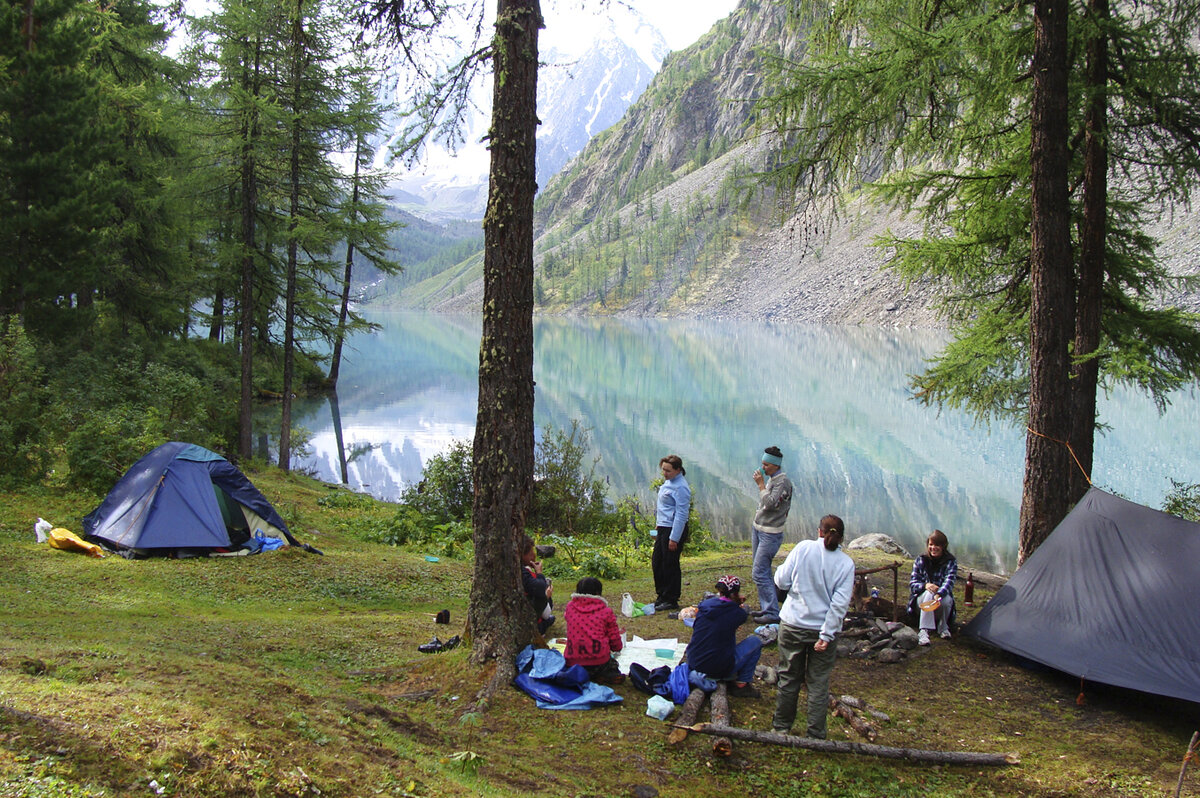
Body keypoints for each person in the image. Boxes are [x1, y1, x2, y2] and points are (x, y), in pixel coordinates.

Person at [771, 514, 856, 739]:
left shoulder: (803, 549)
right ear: (842, 538)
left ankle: (781, 727)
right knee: (818, 683)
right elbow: (839, 605)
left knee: (789, 677)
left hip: (793, 624)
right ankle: (816, 733)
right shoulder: (846, 564)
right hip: (821, 630)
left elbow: (781, 581)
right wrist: (827, 635)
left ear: (819, 531)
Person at [686, 575, 763, 697]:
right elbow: (740, 613)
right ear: (736, 593)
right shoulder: (738, 614)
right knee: (755, 641)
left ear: (719, 591)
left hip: (693, 663)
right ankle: (742, 684)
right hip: (717, 668)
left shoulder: (704, 606)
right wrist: (737, 603)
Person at [750, 445, 793, 624]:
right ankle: (767, 608)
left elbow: (769, 503)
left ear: (776, 465)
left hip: (770, 533)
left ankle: (772, 612)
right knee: (762, 570)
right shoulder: (772, 479)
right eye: (762, 464)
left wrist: (760, 485)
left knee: (759, 572)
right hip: (759, 528)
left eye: (767, 465)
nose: (763, 468)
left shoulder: (782, 482)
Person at [564, 577, 625, 685]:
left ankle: (579, 676)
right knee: (612, 664)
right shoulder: (605, 611)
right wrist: (617, 648)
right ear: (598, 593)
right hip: (599, 661)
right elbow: (614, 638)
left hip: (573, 662)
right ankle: (605, 676)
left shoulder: (570, 607)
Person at [652, 454, 691, 611]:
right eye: (663, 470)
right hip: (663, 526)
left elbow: (681, 514)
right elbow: (664, 507)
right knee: (657, 562)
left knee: (670, 564)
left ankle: (671, 598)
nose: (664, 473)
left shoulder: (681, 487)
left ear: (677, 470)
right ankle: (661, 595)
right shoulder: (669, 482)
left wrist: (674, 538)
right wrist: (658, 525)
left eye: (668, 470)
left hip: (673, 528)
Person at [908, 529, 958, 645]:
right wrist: (925, 585)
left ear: (943, 547)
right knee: (929, 593)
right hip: (921, 603)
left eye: (937, 545)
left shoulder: (950, 561)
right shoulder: (921, 560)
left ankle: (943, 627)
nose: (933, 548)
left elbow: (949, 582)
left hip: (940, 598)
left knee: (946, 601)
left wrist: (939, 593)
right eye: (931, 545)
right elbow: (913, 584)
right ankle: (924, 631)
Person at [520, 535, 554, 635]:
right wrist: (539, 573)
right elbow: (539, 588)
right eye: (531, 553)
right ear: (522, 555)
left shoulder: (523, 570)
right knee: (543, 594)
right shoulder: (522, 572)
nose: (534, 556)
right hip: (531, 618)